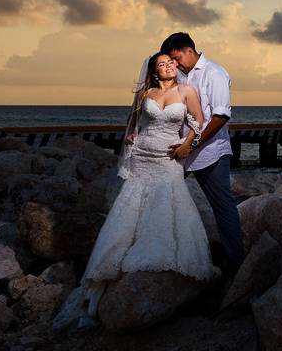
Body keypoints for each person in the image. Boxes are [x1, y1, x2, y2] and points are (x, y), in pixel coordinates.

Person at [77, 53, 215, 323]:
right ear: (154, 71)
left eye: (170, 62)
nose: (168, 66)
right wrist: (130, 134)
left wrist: (188, 144)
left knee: (167, 202)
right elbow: (133, 119)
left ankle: (160, 260)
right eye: (162, 64)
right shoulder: (145, 93)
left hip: (168, 159)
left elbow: (199, 121)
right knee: (132, 205)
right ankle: (115, 261)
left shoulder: (186, 91)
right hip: (142, 157)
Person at [159, 32, 245, 278]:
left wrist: (193, 144)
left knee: (223, 207)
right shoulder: (180, 74)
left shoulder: (215, 73)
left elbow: (220, 116)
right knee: (162, 198)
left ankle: (236, 265)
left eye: (176, 58)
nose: (175, 63)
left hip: (209, 152)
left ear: (189, 50)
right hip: (180, 150)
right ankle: (168, 253)